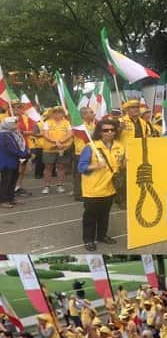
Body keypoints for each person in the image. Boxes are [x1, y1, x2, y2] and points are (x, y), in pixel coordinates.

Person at [77, 117, 123, 251]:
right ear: (99, 132)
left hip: (110, 188)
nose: (109, 132)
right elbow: (81, 167)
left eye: (112, 130)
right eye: (105, 130)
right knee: (90, 216)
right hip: (93, 189)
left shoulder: (119, 146)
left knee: (105, 215)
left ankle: (102, 235)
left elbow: (121, 165)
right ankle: (88, 240)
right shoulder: (91, 147)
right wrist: (96, 166)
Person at [40, 106, 74, 194]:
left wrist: (61, 141)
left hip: (62, 148)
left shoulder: (66, 122)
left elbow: (70, 133)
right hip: (49, 149)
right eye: (55, 112)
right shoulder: (47, 122)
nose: (57, 114)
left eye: (59, 112)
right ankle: (46, 186)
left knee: (61, 167)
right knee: (48, 167)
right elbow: (45, 134)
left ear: (63, 114)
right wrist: (55, 141)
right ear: (52, 114)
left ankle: (60, 185)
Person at [0, 116, 29, 208]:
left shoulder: (12, 133)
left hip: (14, 161)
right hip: (7, 162)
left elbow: (19, 146)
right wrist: (25, 154)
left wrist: (24, 153)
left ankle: (10, 198)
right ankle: (3, 200)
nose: (17, 124)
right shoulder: (4, 135)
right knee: (6, 181)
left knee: (12, 180)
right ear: (8, 125)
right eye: (14, 123)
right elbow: (11, 149)